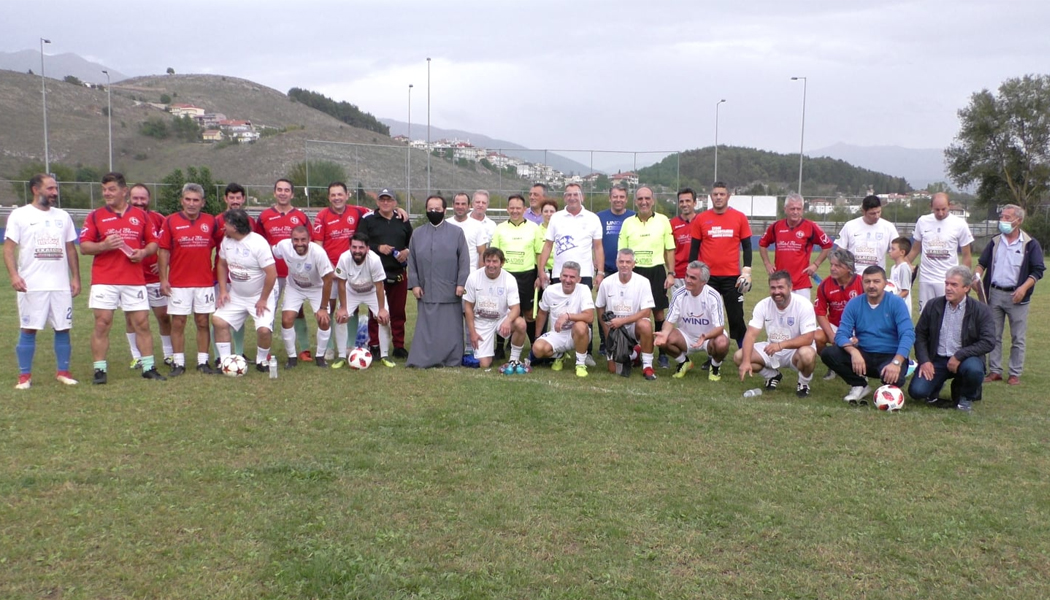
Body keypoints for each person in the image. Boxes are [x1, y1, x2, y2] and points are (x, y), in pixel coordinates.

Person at [79, 172, 166, 383]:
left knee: (142, 323)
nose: (107, 193)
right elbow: (83, 246)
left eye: (111, 189)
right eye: (104, 190)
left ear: (124, 191)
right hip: (104, 279)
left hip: (133, 279)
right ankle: (100, 370)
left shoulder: (141, 216)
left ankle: (148, 367)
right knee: (102, 323)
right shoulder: (95, 216)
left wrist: (144, 253)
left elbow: (154, 243)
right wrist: (103, 246)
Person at [3, 173, 80, 388]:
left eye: (55, 189)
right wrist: (14, 276)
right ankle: (24, 376)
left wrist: (75, 278)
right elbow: (8, 250)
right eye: (50, 189)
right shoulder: (19, 215)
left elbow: (71, 250)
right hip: (32, 285)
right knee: (28, 328)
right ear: (36, 190)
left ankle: (63, 371)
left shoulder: (63, 216)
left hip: (59, 285)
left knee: (63, 328)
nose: (55, 193)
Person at [820, 266, 915, 404]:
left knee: (895, 379)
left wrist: (896, 362)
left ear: (885, 283)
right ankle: (859, 385)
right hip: (864, 355)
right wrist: (853, 352)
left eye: (876, 281)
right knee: (829, 353)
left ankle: (887, 389)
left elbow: (908, 334)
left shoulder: (896, 303)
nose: (871, 285)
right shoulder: (854, 304)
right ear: (862, 283)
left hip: (889, 356)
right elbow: (841, 334)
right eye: (867, 281)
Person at [976, 204, 1045, 386]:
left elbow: (1038, 270)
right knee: (994, 334)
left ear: (1018, 221)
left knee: (1018, 337)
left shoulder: (1030, 244)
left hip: (1017, 297)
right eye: (1002, 217)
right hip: (995, 294)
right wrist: (976, 277)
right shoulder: (995, 241)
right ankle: (995, 371)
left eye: (1008, 217)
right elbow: (981, 263)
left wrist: (1023, 288)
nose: (1003, 221)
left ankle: (1014, 373)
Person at [909, 266, 995, 412]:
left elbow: (988, 341)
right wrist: (924, 361)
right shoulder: (933, 305)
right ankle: (936, 385)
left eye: (954, 285)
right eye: (946, 284)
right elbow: (920, 335)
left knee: (974, 369)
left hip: (965, 359)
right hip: (937, 358)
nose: (948, 288)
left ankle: (966, 397)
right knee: (917, 392)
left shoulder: (981, 310)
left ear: (967, 287)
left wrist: (959, 355)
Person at [157, 183, 219, 376]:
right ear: (182, 201)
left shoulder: (211, 221)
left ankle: (203, 362)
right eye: (188, 199)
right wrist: (163, 279)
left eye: (196, 200)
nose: (191, 204)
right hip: (178, 283)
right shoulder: (170, 221)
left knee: (202, 322)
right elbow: (163, 251)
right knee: (178, 323)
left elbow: (222, 249)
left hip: (204, 282)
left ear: (203, 203)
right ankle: (178, 363)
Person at [407, 195, 471, 368]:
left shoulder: (456, 233)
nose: (434, 212)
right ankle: (424, 359)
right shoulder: (418, 233)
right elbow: (411, 261)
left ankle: (451, 359)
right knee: (427, 328)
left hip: (450, 290)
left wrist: (461, 284)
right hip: (426, 289)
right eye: (430, 209)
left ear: (444, 210)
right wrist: (415, 284)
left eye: (437, 209)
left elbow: (464, 260)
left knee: (449, 329)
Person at [688, 181, 753, 349]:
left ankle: (744, 351)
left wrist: (746, 270)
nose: (718, 197)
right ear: (711, 196)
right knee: (710, 317)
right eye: (715, 194)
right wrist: (692, 273)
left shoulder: (739, 217)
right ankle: (712, 353)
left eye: (722, 194)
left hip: (732, 277)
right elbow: (694, 248)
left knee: (736, 316)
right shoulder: (701, 219)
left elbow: (747, 246)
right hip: (708, 278)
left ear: (728, 196)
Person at [213, 208, 278, 371]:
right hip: (237, 294)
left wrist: (263, 299)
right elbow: (221, 264)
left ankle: (262, 361)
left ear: (234, 227)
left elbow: (272, 274)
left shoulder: (258, 243)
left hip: (261, 295)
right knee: (218, 321)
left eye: (226, 224)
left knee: (263, 330)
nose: (223, 227)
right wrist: (223, 290)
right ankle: (226, 362)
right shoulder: (226, 241)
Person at [734, 270, 818, 397]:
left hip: (795, 351)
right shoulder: (763, 305)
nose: (776, 292)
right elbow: (750, 334)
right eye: (773, 288)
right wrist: (746, 361)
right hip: (772, 349)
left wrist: (780, 345)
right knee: (739, 356)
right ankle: (773, 376)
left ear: (790, 287)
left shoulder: (803, 305)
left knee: (808, 355)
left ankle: (803, 383)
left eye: (780, 287)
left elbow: (808, 338)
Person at [311, 182, 371, 361]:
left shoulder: (358, 211)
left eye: (340, 194)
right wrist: (328, 269)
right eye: (333, 195)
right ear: (329, 197)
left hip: (351, 271)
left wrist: (400, 210)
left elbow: (379, 211)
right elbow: (318, 246)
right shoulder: (322, 216)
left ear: (347, 195)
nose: (337, 198)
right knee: (327, 308)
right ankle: (328, 347)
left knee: (350, 309)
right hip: (329, 272)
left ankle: (350, 345)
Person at [618, 186, 675, 368]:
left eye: (647, 198)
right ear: (635, 201)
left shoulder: (663, 221)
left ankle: (662, 353)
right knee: (633, 313)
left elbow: (669, 249)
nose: (644, 202)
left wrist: (671, 273)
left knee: (658, 313)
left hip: (656, 271)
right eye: (640, 199)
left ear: (653, 200)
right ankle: (634, 352)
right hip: (634, 273)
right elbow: (622, 251)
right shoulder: (628, 222)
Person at [257, 179, 311, 359]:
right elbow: (258, 243)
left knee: (298, 310)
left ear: (292, 194)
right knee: (268, 310)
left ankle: (304, 349)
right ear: (274, 192)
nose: (282, 193)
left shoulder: (301, 217)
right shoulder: (264, 216)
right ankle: (266, 351)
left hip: (295, 273)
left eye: (286, 190)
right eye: (279, 189)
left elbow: (309, 242)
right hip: (271, 274)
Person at [360, 188, 413, 359]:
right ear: (377, 202)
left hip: (398, 272)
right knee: (376, 312)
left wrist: (407, 251)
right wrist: (378, 248)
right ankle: (374, 345)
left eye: (389, 200)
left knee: (398, 312)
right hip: (375, 276)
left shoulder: (402, 220)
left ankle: (398, 345)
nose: (385, 203)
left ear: (394, 203)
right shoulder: (368, 219)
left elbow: (412, 242)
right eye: (382, 200)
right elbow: (359, 242)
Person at [124, 184, 173, 370]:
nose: (139, 202)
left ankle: (169, 354)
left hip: (153, 278)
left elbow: (173, 242)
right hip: (131, 278)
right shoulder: (123, 218)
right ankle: (136, 356)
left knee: (163, 316)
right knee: (132, 318)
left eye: (142, 198)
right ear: (129, 198)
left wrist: (165, 263)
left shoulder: (158, 219)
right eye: (135, 198)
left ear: (149, 199)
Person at [272, 225, 335, 368]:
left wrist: (323, 308)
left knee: (324, 320)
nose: (299, 243)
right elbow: (271, 252)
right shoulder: (283, 246)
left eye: (303, 240)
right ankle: (292, 358)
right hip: (295, 287)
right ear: (291, 239)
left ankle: (320, 357)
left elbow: (328, 280)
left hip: (316, 288)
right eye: (296, 240)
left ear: (309, 239)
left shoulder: (318, 253)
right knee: (287, 319)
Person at [655, 261, 729, 381]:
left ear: (703, 282)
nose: (687, 280)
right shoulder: (679, 294)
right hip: (686, 336)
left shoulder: (713, 296)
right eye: (686, 276)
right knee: (664, 338)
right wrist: (664, 333)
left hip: (708, 337)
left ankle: (715, 367)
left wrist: (705, 336)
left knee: (722, 342)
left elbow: (719, 327)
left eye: (693, 278)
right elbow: (669, 321)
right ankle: (684, 362)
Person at [489, 194, 543, 350]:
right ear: (507, 209)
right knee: (503, 311)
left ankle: (534, 346)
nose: (515, 211)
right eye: (511, 208)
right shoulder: (500, 228)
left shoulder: (534, 228)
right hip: (504, 276)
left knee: (529, 313)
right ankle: (499, 348)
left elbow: (539, 253)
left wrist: (540, 275)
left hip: (527, 275)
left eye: (518, 208)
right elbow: (494, 254)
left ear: (524, 209)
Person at [905, 192, 974, 312]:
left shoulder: (960, 224)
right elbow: (915, 249)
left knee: (947, 314)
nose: (940, 213)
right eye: (937, 210)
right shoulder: (923, 221)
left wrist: (965, 280)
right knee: (926, 315)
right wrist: (902, 265)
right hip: (926, 279)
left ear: (950, 206)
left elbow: (967, 255)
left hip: (948, 280)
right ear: (930, 206)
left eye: (944, 209)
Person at [212, 183, 258, 360]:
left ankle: (238, 353)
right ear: (225, 199)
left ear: (243, 199)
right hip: (223, 277)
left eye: (238, 198)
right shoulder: (217, 221)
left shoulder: (250, 221)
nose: (235, 201)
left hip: (244, 277)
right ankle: (219, 356)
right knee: (220, 316)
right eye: (232, 197)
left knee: (239, 317)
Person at [758, 192, 832, 302]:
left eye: (799, 209)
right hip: (780, 283)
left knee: (802, 316)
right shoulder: (776, 227)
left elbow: (828, 245)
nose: (795, 212)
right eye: (792, 209)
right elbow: (762, 244)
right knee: (780, 316)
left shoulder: (811, 226)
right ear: (785, 209)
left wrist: (815, 265)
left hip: (801, 283)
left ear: (802, 210)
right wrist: (767, 263)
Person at [334, 232, 394, 368]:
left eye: (361, 248)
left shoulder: (375, 260)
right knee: (341, 318)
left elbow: (379, 286)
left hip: (371, 291)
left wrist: (382, 309)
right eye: (354, 247)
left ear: (367, 248)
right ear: (350, 247)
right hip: (351, 291)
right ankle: (342, 356)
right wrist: (343, 308)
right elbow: (341, 284)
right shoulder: (344, 258)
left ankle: (384, 355)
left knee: (384, 319)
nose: (357, 251)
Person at [596, 249, 656, 380]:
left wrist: (622, 321)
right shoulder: (607, 282)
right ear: (616, 263)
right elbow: (599, 307)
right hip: (614, 329)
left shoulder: (643, 282)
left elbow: (646, 311)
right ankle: (634, 354)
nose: (624, 265)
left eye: (628, 262)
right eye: (621, 261)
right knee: (613, 370)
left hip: (634, 328)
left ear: (634, 264)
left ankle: (647, 366)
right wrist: (607, 331)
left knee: (645, 324)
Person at [463, 248, 527, 369]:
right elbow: (468, 307)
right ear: (484, 261)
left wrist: (508, 321)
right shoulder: (473, 277)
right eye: (488, 261)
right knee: (484, 364)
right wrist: (472, 333)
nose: (491, 265)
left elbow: (516, 308)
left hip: (501, 319)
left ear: (502, 263)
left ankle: (514, 359)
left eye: (495, 261)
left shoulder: (509, 279)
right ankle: (487, 353)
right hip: (481, 322)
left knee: (521, 324)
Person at [531, 261, 595, 377]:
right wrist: (536, 336)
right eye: (565, 276)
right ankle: (560, 355)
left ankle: (580, 364)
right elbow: (542, 313)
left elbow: (590, 317)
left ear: (579, 279)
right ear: (560, 276)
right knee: (538, 349)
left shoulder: (584, 289)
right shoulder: (550, 291)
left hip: (577, 333)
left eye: (572, 277)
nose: (568, 280)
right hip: (557, 334)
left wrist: (567, 316)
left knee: (580, 326)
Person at [537, 183, 605, 289]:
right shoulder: (555, 217)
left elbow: (598, 247)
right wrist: (540, 271)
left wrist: (600, 273)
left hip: (584, 274)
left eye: (575, 194)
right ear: (564, 198)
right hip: (559, 274)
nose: (572, 198)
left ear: (582, 197)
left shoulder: (593, 218)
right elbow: (547, 246)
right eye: (569, 195)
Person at [595, 184, 635, 356]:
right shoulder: (600, 217)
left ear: (626, 199)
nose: (618, 200)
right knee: (603, 307)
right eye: (615, 196)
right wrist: (600, 271)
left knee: (627, 306)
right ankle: (606, 342)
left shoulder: (633, 216)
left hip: (628, 270)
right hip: (607, 270)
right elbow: (595, 245)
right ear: (609, 198)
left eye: (622, 197)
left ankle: (630, 340)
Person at [813, 248, 864, 379]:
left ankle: (863, 367)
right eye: (831, 265)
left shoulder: (862, 282)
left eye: (838, 266)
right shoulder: (825, 285)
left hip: (859, 326)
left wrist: (860, 333)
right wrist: (831, 335)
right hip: (836, 324)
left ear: (849, 268)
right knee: (817, 337)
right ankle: (833, 363)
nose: (832, 268)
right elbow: (820, 312)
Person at [834, 195, 899, 274]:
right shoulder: (850, 226)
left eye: (879, 212)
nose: (876, 216)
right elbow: (840, 251)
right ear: (863, 212)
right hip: (853, 277)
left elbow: (899, 249)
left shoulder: (888, 227)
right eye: (872, 213)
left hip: (877, 278)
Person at [447, 192, 488, 270]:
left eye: (463, 204)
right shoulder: (446, 224)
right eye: (457, 203)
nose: (460, 206)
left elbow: (482, 253)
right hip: (449, 274)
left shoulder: (478, 226)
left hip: (470, 274)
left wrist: (480, 275)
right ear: (453, 205)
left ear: (469, 206)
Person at [670, 188, 699, 291]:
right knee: (680, 306)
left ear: (694, 203)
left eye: (688, 201)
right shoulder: (672, 224)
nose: (684, 204)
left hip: (699, 273)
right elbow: (669, 251)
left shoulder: (702, 221)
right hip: (679, 274)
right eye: (681, 201)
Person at [888, 237, 914, 317]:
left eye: (893, 249)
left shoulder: (904, 268)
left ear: (902, 252)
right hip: (895, 304)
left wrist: (892, 301)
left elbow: (905, 291)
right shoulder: (893, 267)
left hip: (902, 305)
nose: (889, 251)